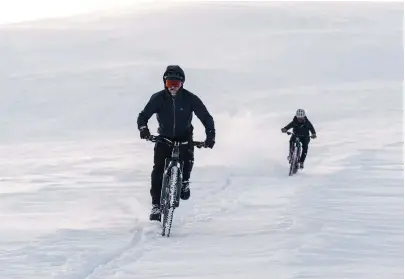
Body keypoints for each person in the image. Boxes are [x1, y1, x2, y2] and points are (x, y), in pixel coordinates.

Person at [137, 65, 216, 221]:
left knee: (188, 158)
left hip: (184, 136)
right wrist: (144, 129)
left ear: (182, 84)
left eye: (176, 84)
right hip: (164, 138)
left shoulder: (190, 98)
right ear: (164, 83)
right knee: (158, 170)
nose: (173, 87)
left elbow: (206, 117)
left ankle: (185, 181)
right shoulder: (158, 98)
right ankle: (156, 206)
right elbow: (143, 116)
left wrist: (210, 136)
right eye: (169, 83)